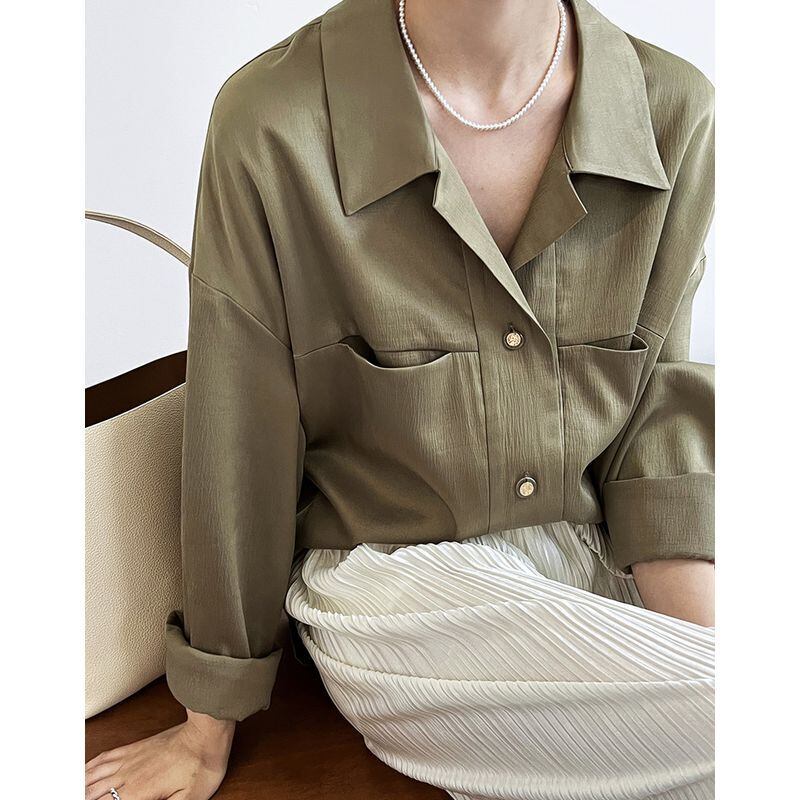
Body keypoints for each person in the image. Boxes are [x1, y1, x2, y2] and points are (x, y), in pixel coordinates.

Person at [84, 0, 715, 798]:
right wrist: (207, 723)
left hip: (599, 555)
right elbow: (241, 438)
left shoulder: (673, 111)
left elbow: (658, 422)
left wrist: (703, 653)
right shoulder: (274, 124)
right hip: (396, 589)